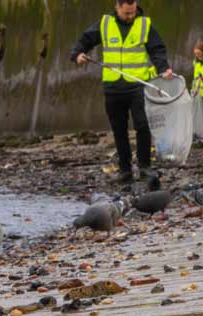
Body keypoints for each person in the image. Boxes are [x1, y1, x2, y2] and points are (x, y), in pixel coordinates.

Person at [70, 0, 174, 184]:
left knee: (142, 125)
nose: (130, 16)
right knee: (119, 129)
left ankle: (144, 167)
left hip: (137, 85)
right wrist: (78, 54)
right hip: (113, 87)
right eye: (126, 13)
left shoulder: (144, 24)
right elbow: (85, 40)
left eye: (132, 12)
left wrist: (163, 68)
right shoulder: (105, 23)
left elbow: (157, 49)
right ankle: (125, 170)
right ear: (117, 7)